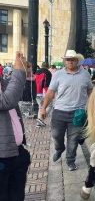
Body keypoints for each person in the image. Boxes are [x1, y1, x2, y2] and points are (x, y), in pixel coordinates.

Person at [40, 50, 93, 171]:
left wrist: (93, 106)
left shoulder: (85, 74)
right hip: (59, 111)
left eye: (72, 59)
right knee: (56, 136)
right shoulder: (58, 74)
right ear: (65, 61)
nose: (70, 61)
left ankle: (70, 160)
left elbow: (90, 91)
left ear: (77, 60)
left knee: (73, 140)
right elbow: (50, 92)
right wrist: (43, 108)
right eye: (67, 59)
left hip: (78, 113)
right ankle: (59, 149)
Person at [0, 52, 31, 201]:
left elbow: (16, 91)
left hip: (16, 152)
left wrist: (25, 72)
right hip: (2, 157)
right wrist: (19, 71)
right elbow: (7, 101)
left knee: (17, 196)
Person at [35, 62, 52, 128]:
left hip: (36, 91)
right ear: (48, 66)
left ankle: (39, 123)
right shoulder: (48, 73)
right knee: (50, 105)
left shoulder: (37, 72)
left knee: (40, 106)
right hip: (44, 91)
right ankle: (41, 119)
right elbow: (48, 83)